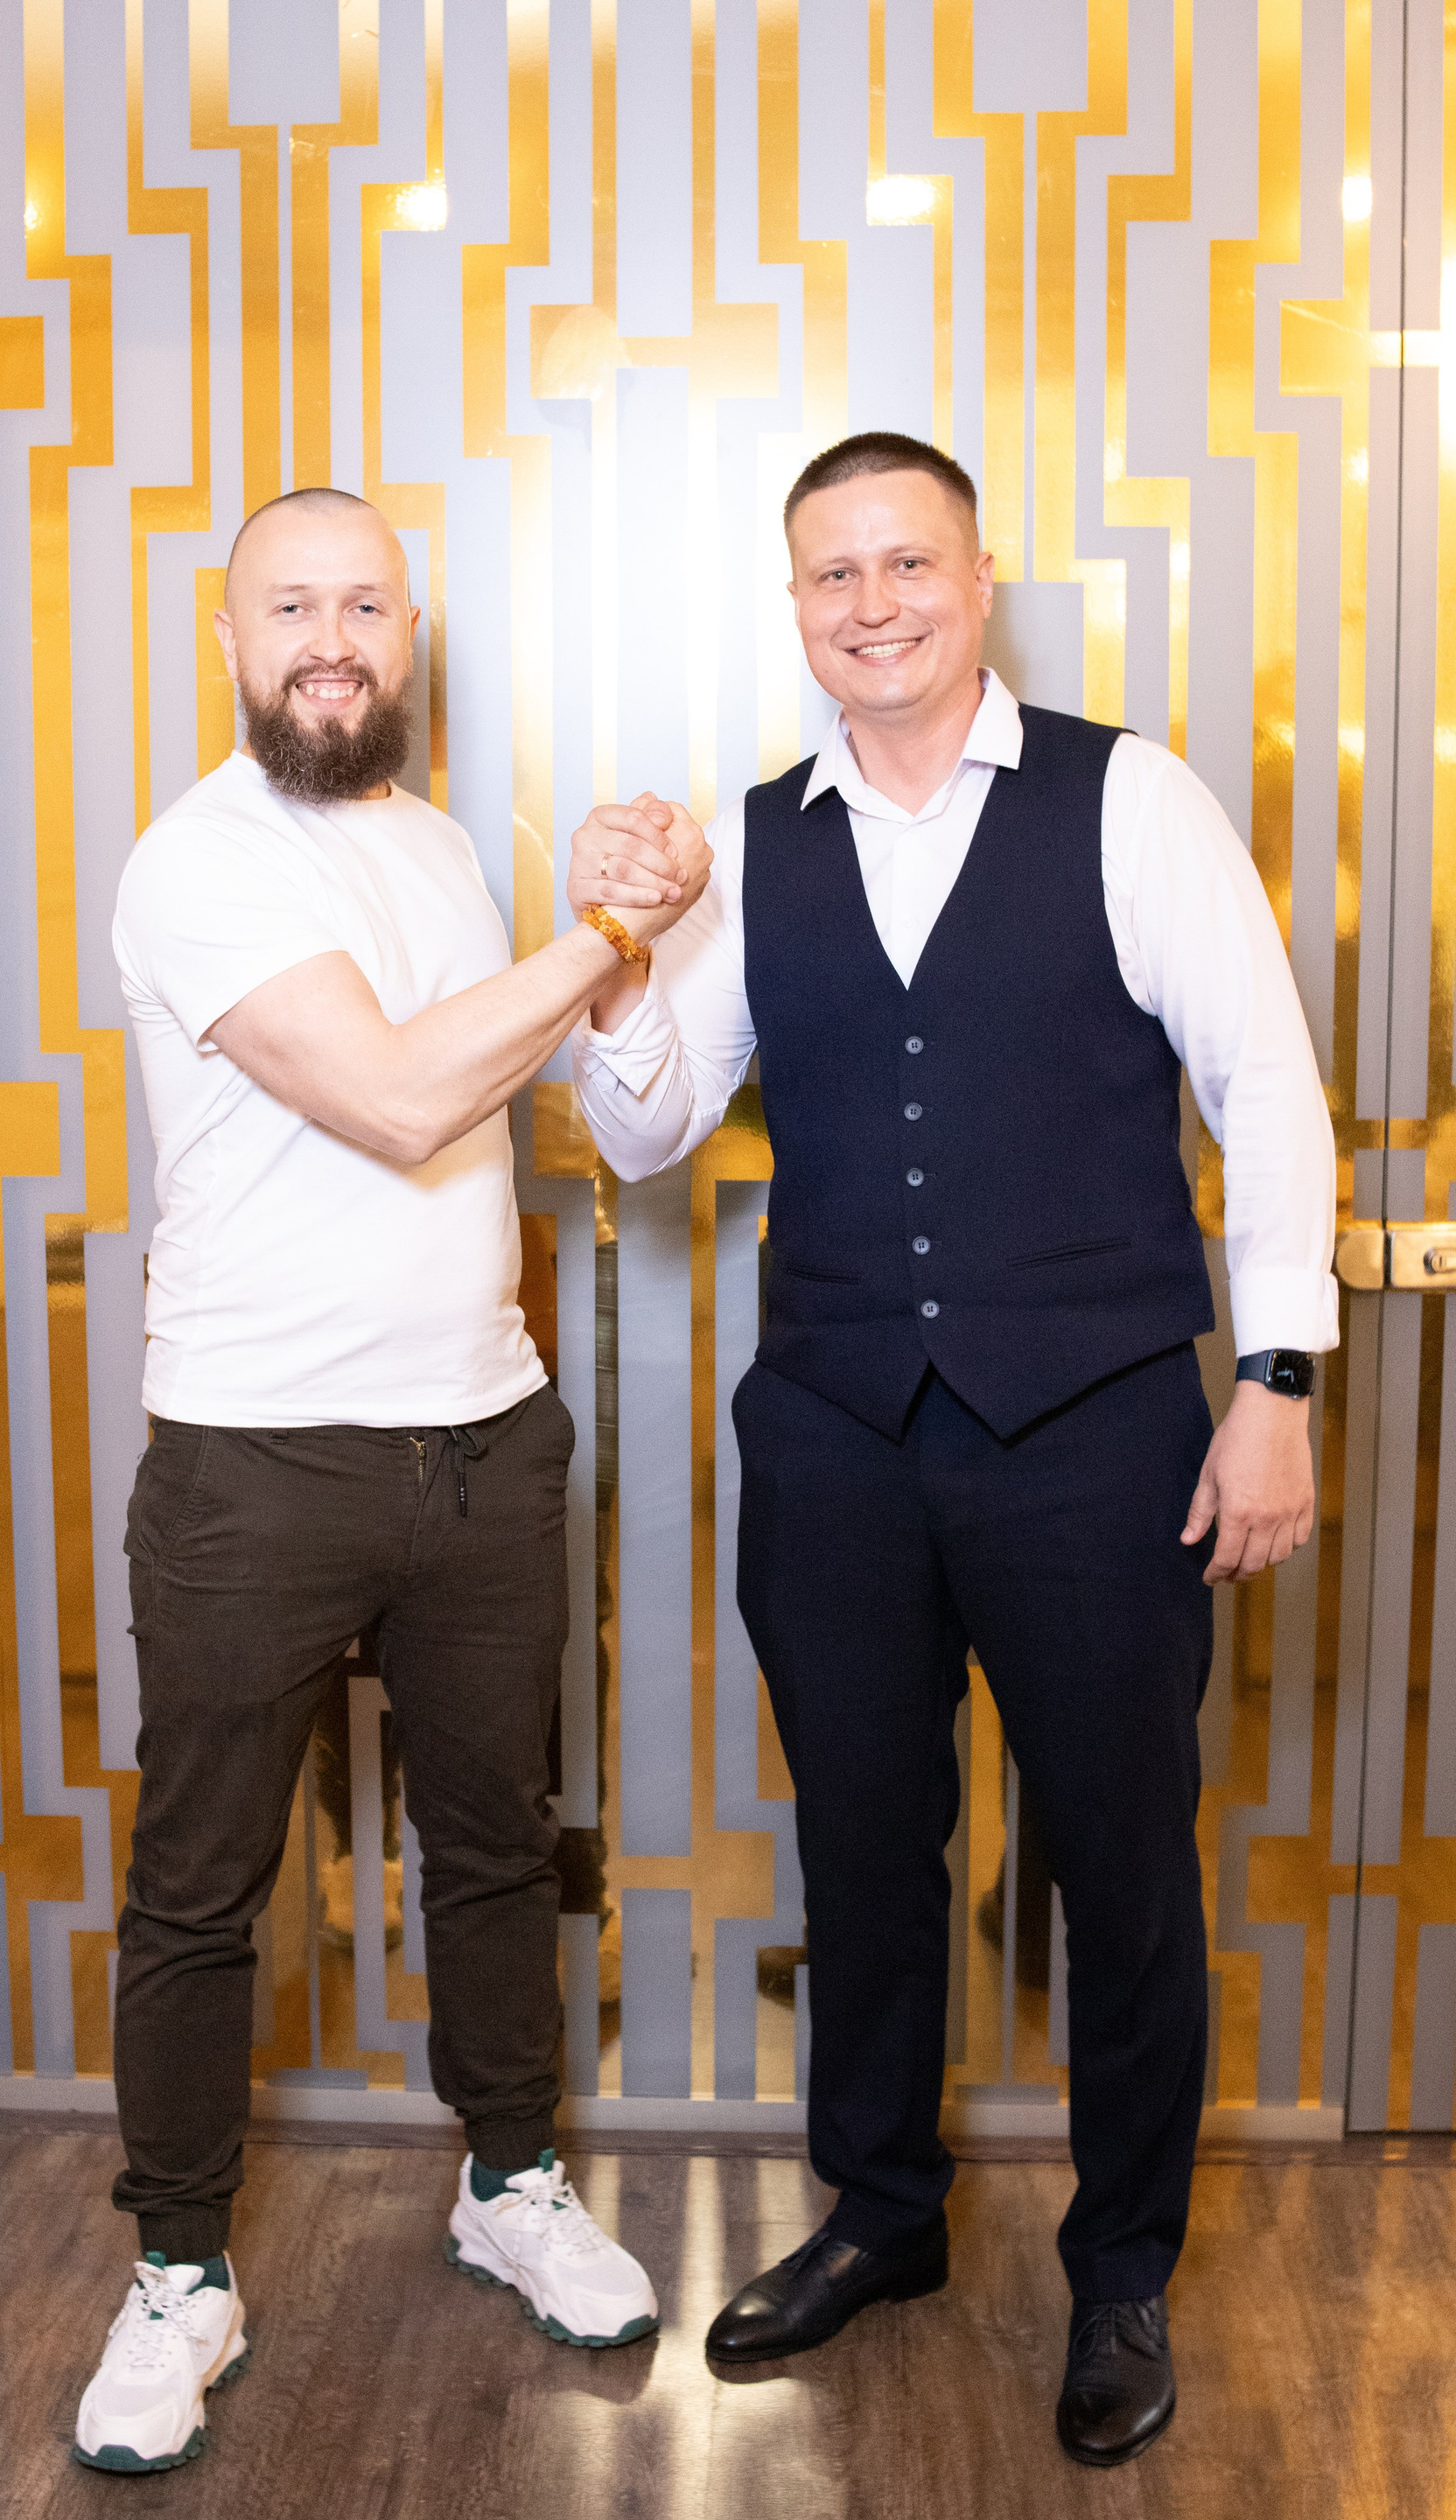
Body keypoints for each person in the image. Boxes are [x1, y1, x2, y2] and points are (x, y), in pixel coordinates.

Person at [567, 432, 1336, 2468]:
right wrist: (610, 954)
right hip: (836, 1437)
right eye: (835, 574)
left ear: (979, 582)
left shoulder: (1128, 798)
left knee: (1122, 1864)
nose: (875, 602)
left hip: (1095, 1432)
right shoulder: (755, 845)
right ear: (796, 606)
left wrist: (1277, 1383)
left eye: (909, 562)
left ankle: (1123, 2270)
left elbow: (1267, 1088)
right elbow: (645, 1132)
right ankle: (884, 2215)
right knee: (863, 1848)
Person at [75, 486, 710, 2474]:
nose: (330, 642)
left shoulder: (440, 847)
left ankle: (509, 2180)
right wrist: (606, 934)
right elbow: (406, 1094)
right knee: (202, 1886)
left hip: (486, 1441)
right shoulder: (196, 861)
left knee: (496, 1845)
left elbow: (579, 1103)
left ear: (408, 634)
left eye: (364, 605)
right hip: (254, 1459)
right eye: (292, 607)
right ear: (229, 638)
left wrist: (613, 959)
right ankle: (180, 2273)